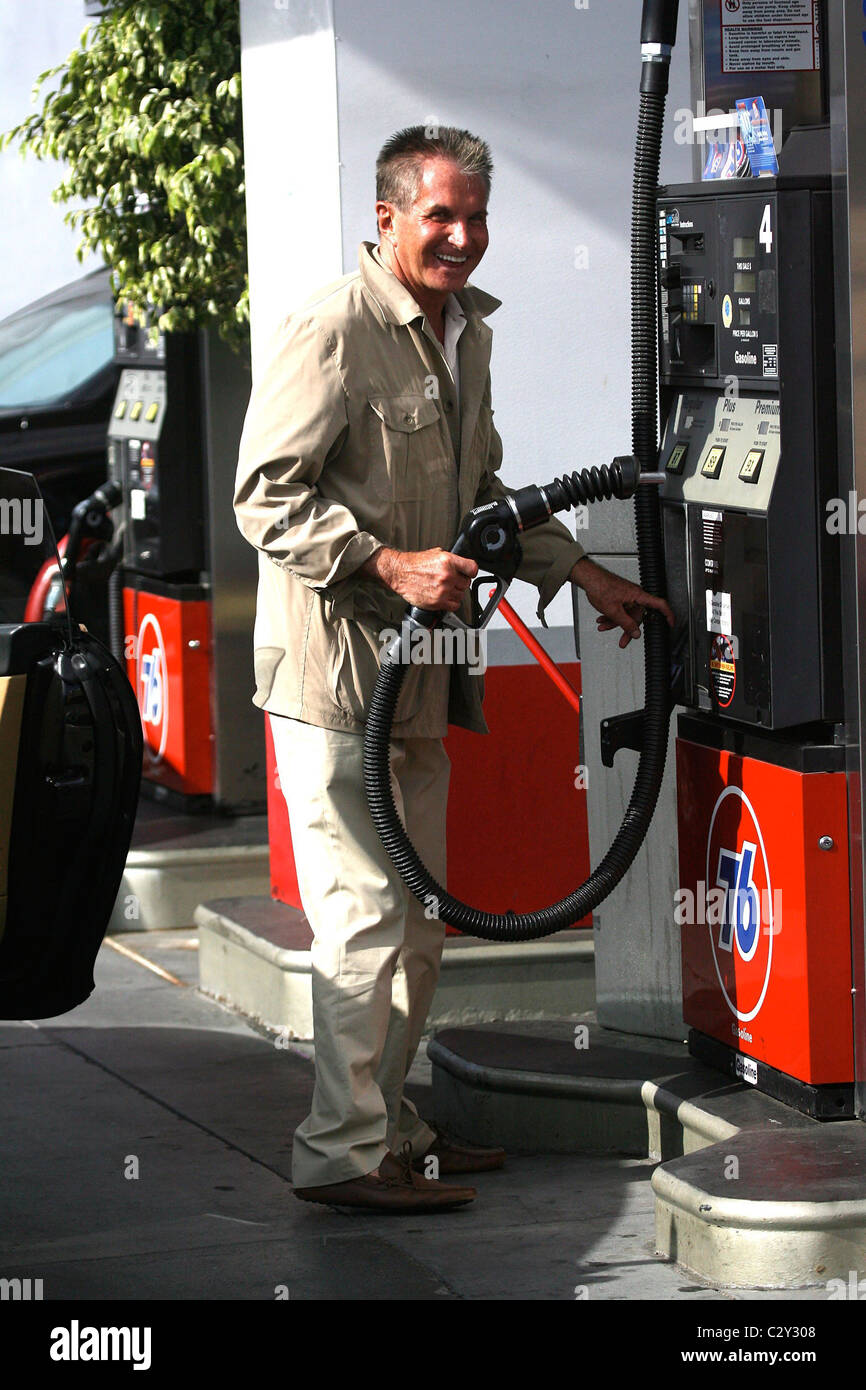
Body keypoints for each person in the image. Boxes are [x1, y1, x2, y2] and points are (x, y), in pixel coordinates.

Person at [234, 125, 673, 1213]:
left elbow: (485, 494)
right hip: (341, 685)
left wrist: (578, 573)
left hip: (422, 681)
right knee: (363, 923)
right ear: (386, 218)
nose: (463, 236)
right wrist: (380, 559)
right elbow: (263, 497)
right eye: (440, 216)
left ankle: (391, 1128)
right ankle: (341, 1152)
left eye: (475, 217)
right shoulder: (334, 328)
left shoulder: (464, 332)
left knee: (416, 922)